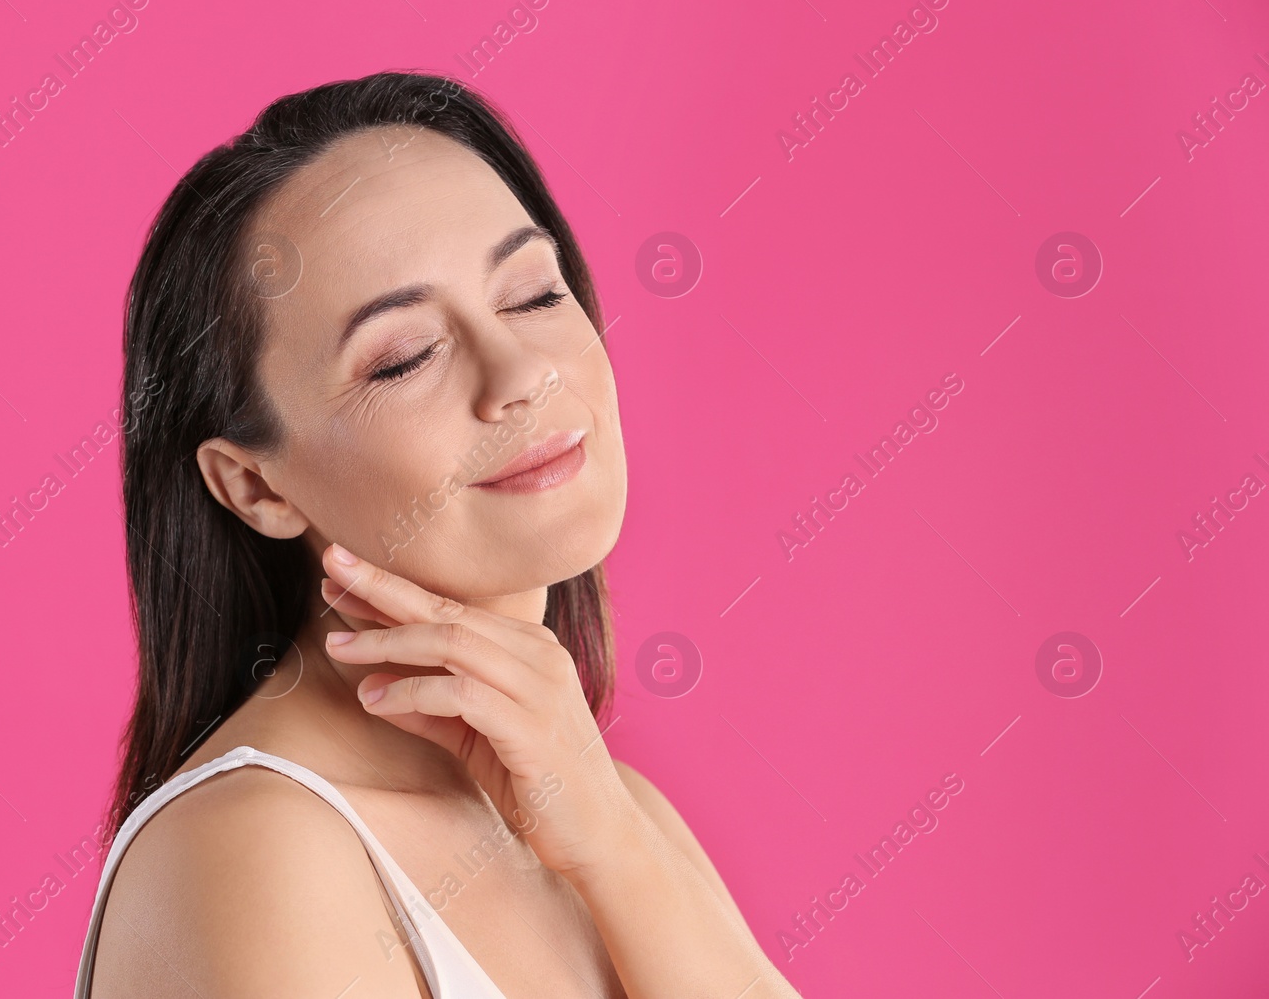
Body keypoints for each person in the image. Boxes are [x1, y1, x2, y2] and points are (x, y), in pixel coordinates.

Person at [75, 70, 804, 999]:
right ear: (255, 485)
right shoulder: (256, 848)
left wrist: (620, 849)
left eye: (535, 293)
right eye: (406, 356)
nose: (519, 374)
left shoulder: (608, 811)